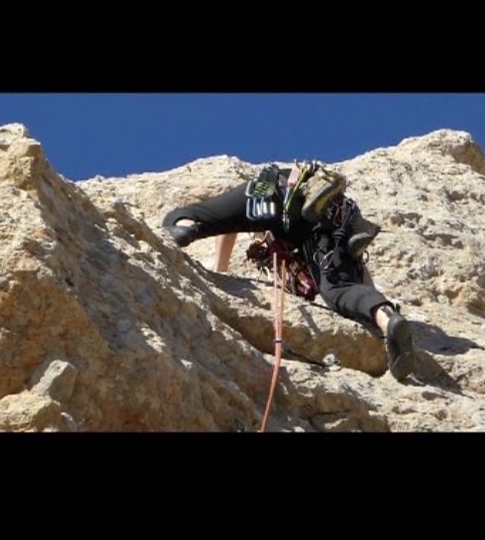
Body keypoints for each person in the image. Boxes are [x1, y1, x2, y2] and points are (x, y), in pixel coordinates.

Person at [162, 161, 416, 382]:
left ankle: (186, 226)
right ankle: (387, 318)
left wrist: (219, 271)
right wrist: (379, 309)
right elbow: (356, 282)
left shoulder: (265, 215)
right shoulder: (313, 256)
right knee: (338, 290)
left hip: (273, 191)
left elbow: (230, 226)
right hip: (326, 224)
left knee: (192, 215)